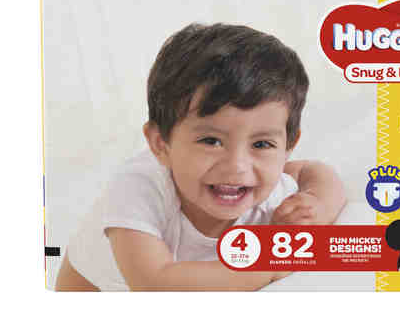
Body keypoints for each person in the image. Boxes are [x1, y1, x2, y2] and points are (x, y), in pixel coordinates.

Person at [56, 23, 346, 291]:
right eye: (211, 141)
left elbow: (309, 170)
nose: (237, 167)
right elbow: (154, 284)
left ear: (288, 146)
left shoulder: (275, 190)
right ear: (161, 144)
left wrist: (318, 202)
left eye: (261, 144)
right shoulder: (137, 187)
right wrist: (269, 265)